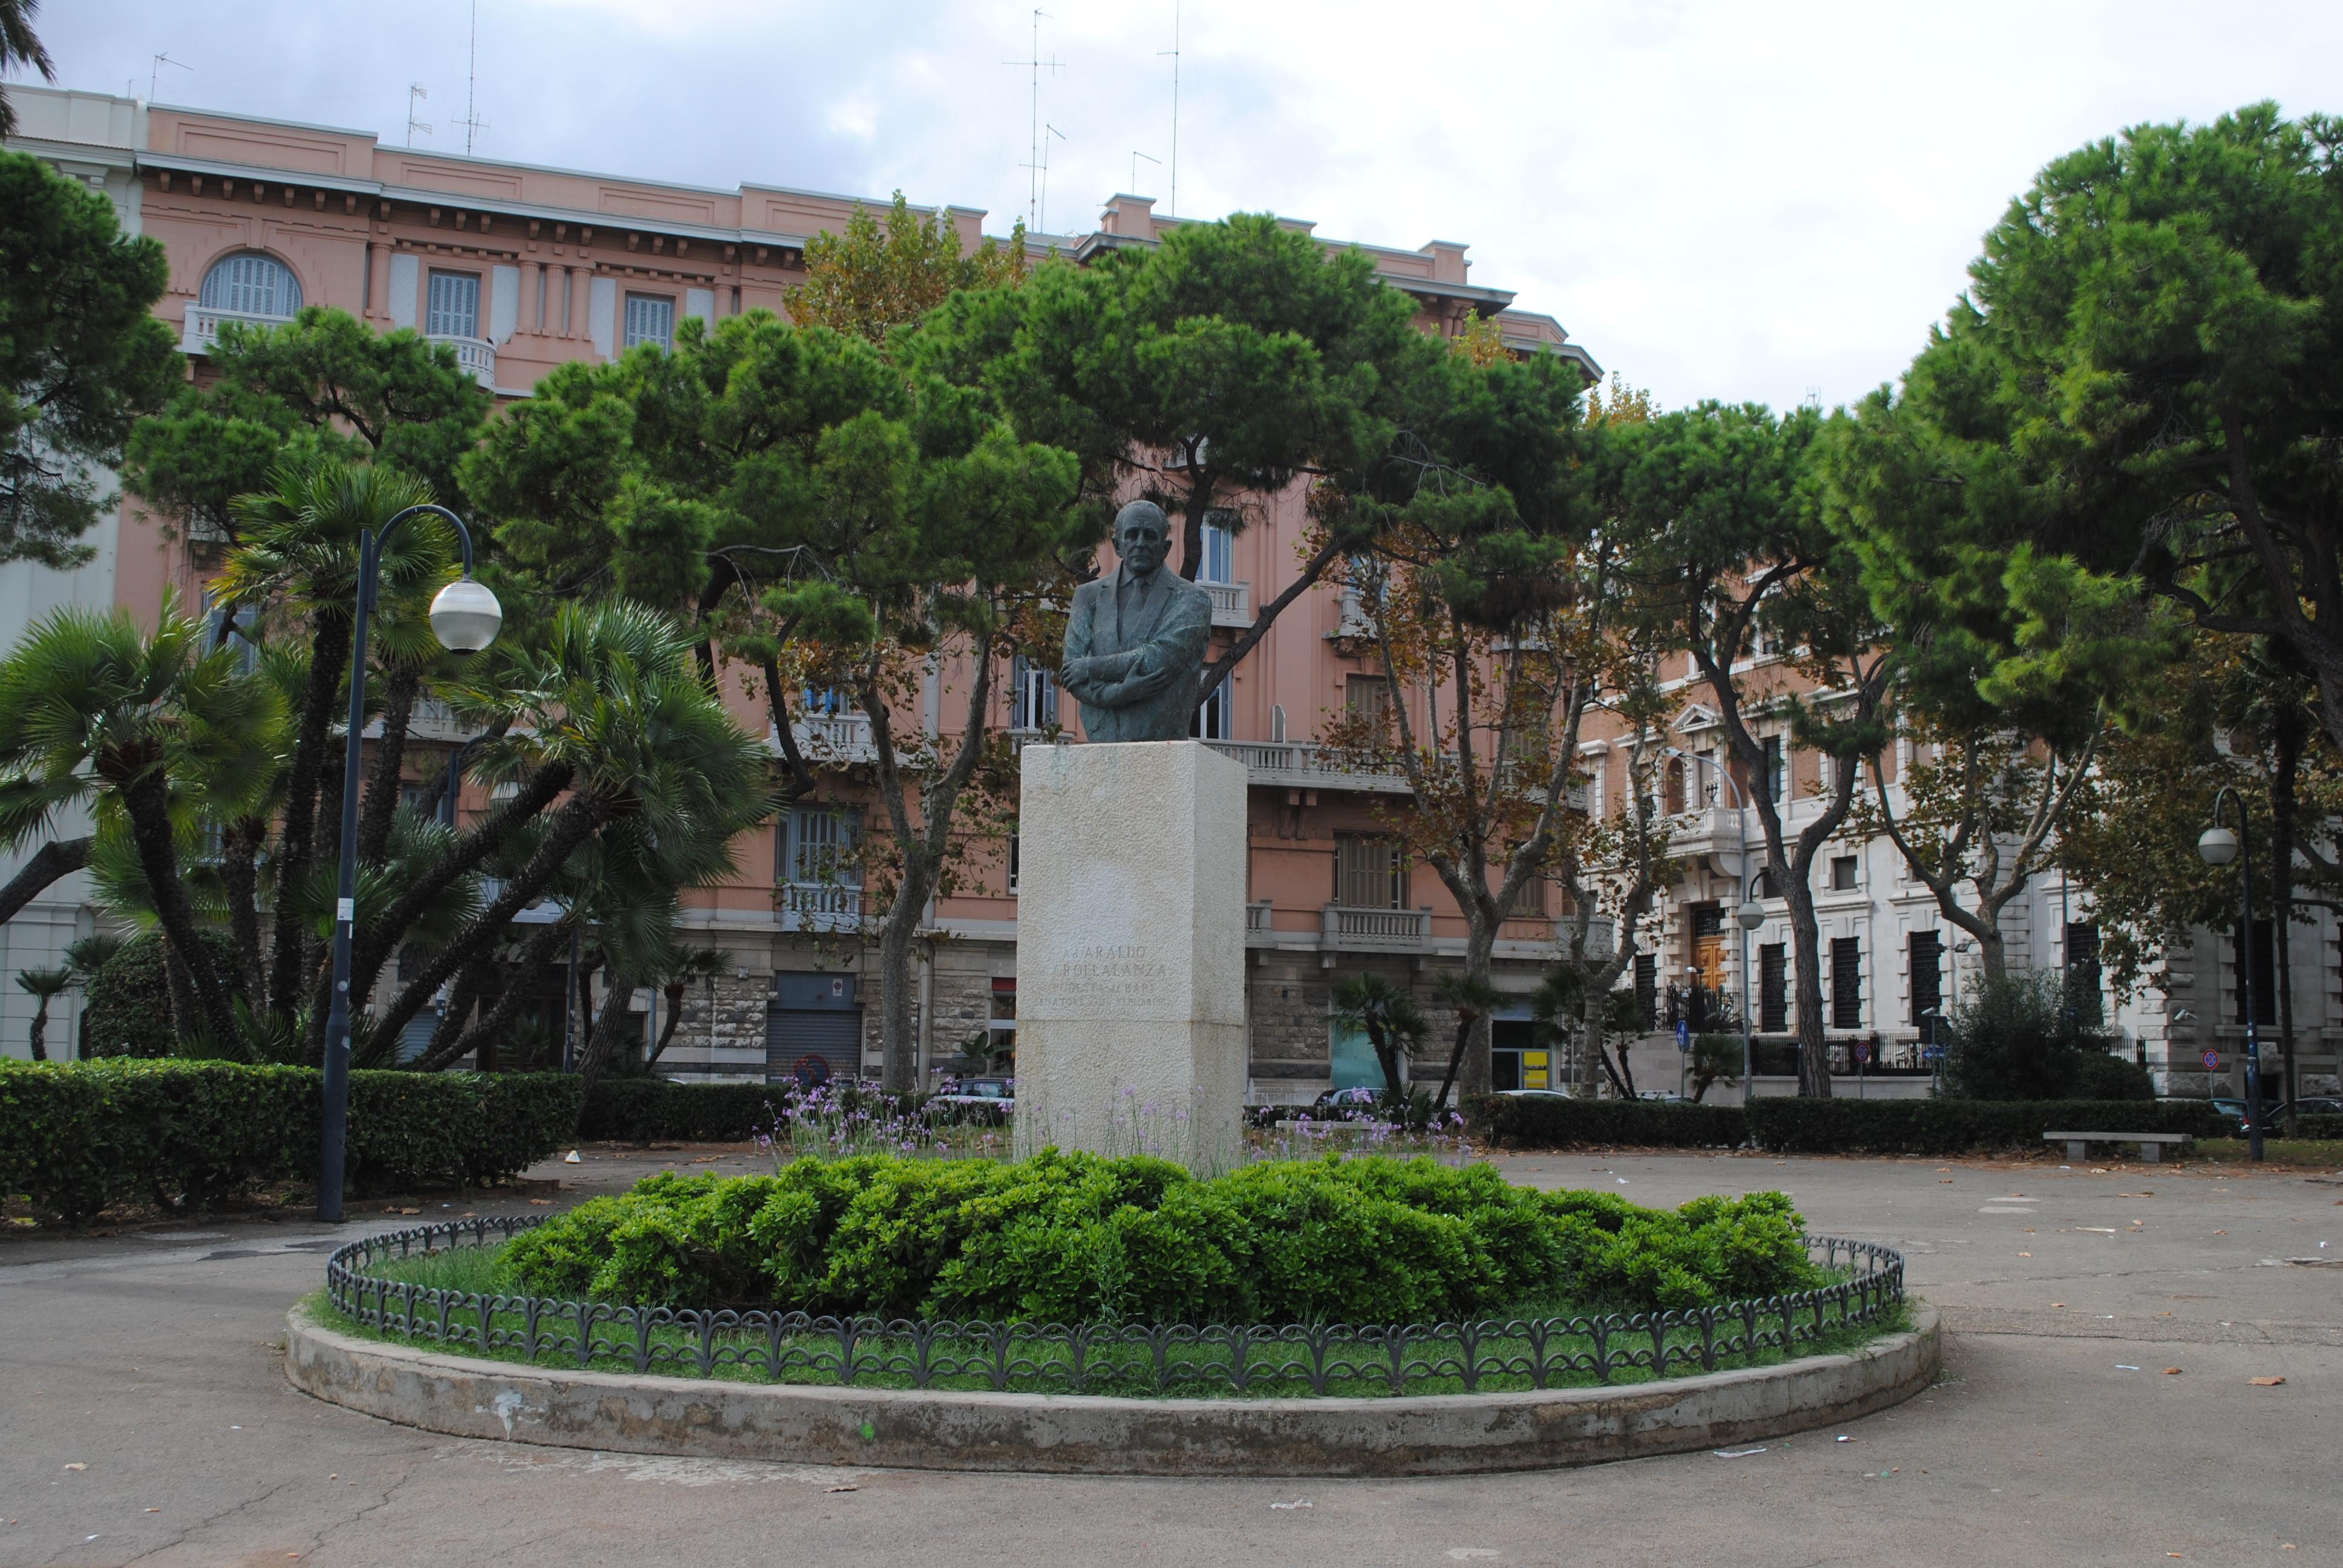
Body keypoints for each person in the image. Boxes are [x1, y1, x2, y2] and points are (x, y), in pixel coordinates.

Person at [1059, 500, 1214, 742]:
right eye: (1132, 535)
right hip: (1102, 737)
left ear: (1165, 548)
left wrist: (1089, 668)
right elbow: (1071, 673)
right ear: (1117, 545)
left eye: (1150, 536)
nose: (1140, 543)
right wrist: (1119, 693)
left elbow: (1159, 659)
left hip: (1162, 741)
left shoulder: (1193, 600)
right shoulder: (1087, 596)